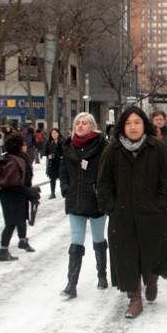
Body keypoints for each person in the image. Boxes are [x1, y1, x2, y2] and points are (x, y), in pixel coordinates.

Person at [97, 106, 167, 319]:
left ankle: (152, 279)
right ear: (122, 126)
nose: (132, 127)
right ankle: (134, 298)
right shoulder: (113, 150)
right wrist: (111, 207)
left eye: (137, 122)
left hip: (152, 214)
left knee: (152, 252)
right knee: (126, 256)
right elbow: (103, 182)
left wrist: (161, 204)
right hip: (122, 215)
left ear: (144, 124)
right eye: (128, 123)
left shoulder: (157, 148)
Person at [59, 113, 108, 299]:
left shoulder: (102, 146)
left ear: (92, 126)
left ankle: (102, 274)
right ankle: (71, 284)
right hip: (75, 200)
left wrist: (101, 191)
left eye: (84, 123)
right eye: (77, 123)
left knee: (98, 238)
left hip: (95, 201)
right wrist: (66, 188)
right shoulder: (68, 146)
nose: (80, 125)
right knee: (76, 241)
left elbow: (107, 172)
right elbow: (63, 172)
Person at [0, 132, 40, 261]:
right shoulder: (15, 161)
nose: (26, 145)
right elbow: (14, 184)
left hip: (18, 194)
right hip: (12, 195)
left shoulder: (15, 158)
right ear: (18, 146)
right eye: (24, 144)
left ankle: (22, 241)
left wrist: (29, 191)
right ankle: (3, 250)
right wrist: (30, 191)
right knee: (11, 223)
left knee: (22, 218)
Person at [45, 128, 63, 199]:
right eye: (52, 133)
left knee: (62, 178)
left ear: (58, 133)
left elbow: (64, 151)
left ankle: (64, 192)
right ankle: (52, 193)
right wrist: (49, 155)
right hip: (52, 163)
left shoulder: (62, 141)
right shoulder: (49, 142)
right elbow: (46, 152)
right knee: (52, 178)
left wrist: (59, 155)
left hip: (60, 162)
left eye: (55, 133)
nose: (54, 134)